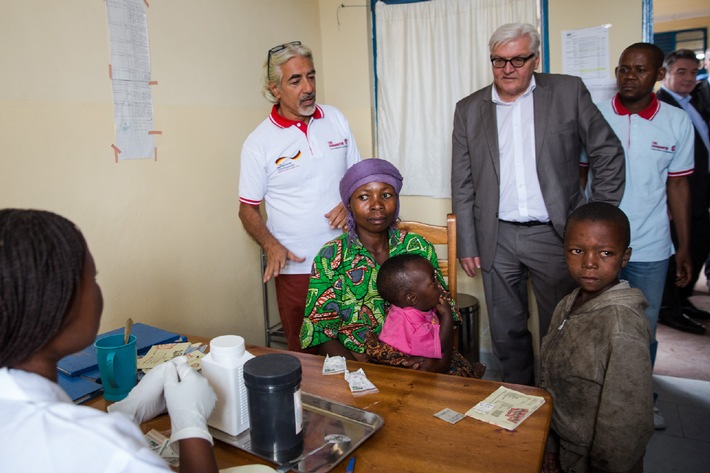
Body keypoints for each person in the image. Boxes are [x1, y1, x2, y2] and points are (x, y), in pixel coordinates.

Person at [451, 22, 626, 386]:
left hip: (556, 235)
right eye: (499, 61)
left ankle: (557, 407)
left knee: (560, 327)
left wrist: (596, 219)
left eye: (518, 59)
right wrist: (467, 241)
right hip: (495, 238)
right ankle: (520, 401)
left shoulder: (566, 92)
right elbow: (463, 180)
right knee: (506, 333)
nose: (507, 69)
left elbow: (607, 152)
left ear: (536, 58)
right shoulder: (469, 109)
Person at [0, 209, 218, 473]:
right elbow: (88, 449)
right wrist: (191, 426)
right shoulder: (110, 452)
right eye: (92, 278)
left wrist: (124, 412)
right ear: (58, 302)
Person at [238, 41, 361, 351]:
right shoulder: (259, 143)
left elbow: (361, 181)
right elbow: (247, 210)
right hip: (298, 269)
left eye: (311, 76)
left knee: (358, 345)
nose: (308, 87)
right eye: (296, 80)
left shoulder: (335, 119)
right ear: (275, 88)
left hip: (347, 259)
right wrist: (270, 244)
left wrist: (349, 205)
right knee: (306, 354)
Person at [300, 158, 456, 372]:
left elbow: (443, 306)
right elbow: (319, 332)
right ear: (349, 205)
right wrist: (360, 375)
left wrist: (429, 366)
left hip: (427, 360)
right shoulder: (330, 257)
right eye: (364, 197)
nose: (377, 205)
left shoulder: (416, 246)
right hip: (359, 367)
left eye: (386, 195)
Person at [540, 202, 653, 473]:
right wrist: (552, 445)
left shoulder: (622, 325)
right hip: (566, 444)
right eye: (577, 251)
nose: (589, 263)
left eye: (605, 253)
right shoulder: (569, 303)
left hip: (597, 460)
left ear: (624, 257)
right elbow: (552, 380)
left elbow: (625, 423)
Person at [656, 49, 710, 333]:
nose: (689, 78)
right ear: (664, 74)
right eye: (681, 72)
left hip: (699, 192)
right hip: (677, 196)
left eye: (693, 72)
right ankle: (669, 308)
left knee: (697, 247)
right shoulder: (661, 107)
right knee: (676, 254)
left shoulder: (695, 102)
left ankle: (682, 298)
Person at [369, 253, 485, 377]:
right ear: (412, 299)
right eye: (433, 282)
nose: (439, 286)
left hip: (417, 352)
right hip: (411, 369)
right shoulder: (415, 326)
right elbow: (441, 349)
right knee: (459, 374)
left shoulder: (405, 309)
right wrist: (447, 316)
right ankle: (472, 376)